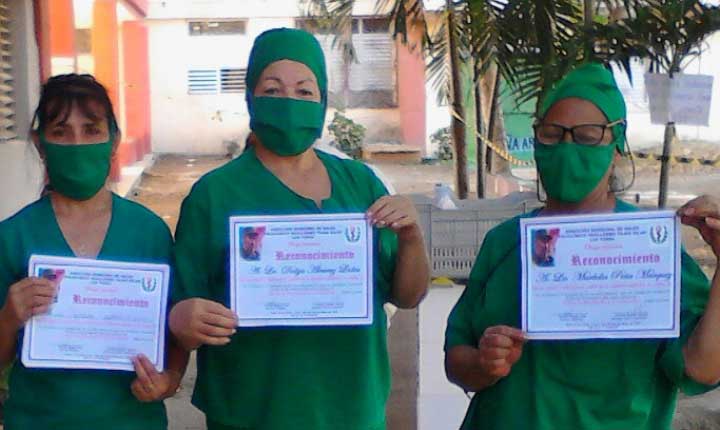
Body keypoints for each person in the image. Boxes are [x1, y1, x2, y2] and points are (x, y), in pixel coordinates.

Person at [168, 28, 430, 430]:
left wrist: (411, 236)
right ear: (250, 98)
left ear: (323, 99)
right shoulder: (214, 195)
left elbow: (407, 295)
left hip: (351, 405)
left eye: (305, 91)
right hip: (255, 410)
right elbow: (182, 312)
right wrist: (183, 320)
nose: (289, 101)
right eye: (272, 89)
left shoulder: (361, 184)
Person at [444, 63, 720, 430]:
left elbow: (701, 367)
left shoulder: (653, 249)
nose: (566, 147)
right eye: (552, 134)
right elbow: (456, 359)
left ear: (617, 146)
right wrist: (483, 363)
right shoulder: (505, 243)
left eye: (588, 136)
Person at [0, 74, 188, 429]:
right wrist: (10, 317)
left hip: (132, 420)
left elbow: (175, 328)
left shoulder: (149, 232)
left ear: (113, 140)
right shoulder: (13, 236)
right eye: (61, 132)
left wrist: (169, 379)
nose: (76, 143)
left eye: (91, 130)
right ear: (41, 144)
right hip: (37, 421)